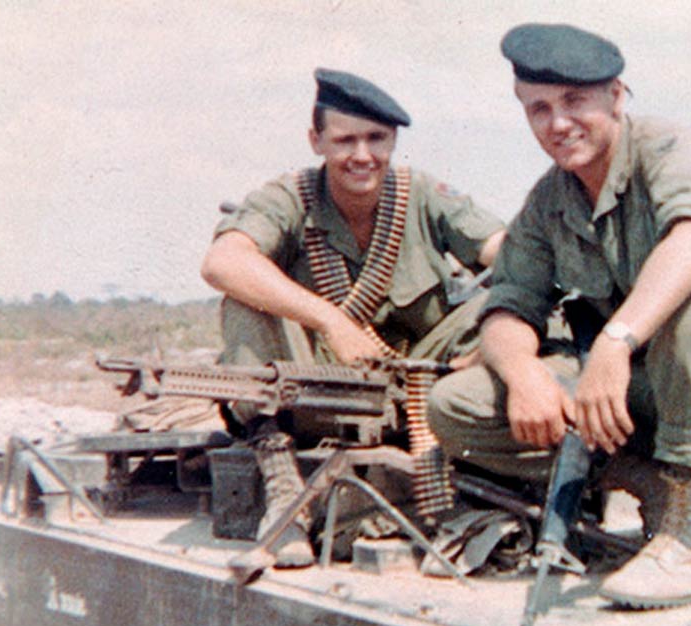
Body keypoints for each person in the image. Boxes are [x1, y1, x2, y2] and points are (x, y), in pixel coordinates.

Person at [427, 24, 691, 608]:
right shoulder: (550, 201)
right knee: (454, 403)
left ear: (616, 97)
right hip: (637, 399)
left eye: (575, 102)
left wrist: (614, 341)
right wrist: (524, 374)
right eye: (539, 109)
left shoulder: (670, 150)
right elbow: (510, 302)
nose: (558, 124)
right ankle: (651, 482)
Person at [201, 68, 505, 568]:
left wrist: (499, 340)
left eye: (376, 139)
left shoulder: (423, 195)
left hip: (420, 391)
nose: (362, 156)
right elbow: (223, 262)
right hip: (315, 390)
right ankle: (283, 492)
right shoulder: (289, 198)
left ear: (393, 141)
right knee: (244, 302)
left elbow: (513, 256)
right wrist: (332, 322)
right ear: (315, 140)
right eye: (345, 140)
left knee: (511, 308)